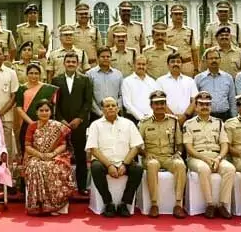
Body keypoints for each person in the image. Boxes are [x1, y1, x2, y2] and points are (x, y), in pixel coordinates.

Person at [87, 96, 143, 217]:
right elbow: (93, 149)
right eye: (107, 106)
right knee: (95, 168)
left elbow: (136, 146)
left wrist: (125, 164)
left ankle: (124, 203)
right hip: (104, 162)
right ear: (102, 109)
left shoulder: (128, 124)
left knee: (138, 169)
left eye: (113, 105)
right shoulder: (95, 125)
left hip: (125, 161)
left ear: (118, 108)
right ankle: (108, 203)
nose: (111, 108)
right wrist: (109, 165)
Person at [182, 90, 233, 218]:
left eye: (207, 104)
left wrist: (219, 158)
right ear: (196, 107)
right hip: (197, 157)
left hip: (216, 156)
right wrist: (204, 158)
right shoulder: (189, 124)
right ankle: (210, 204)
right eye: (201, 104)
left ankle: (222, 205)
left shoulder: (219, 122)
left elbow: (224, 144)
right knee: (203, 168)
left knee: (230, 169)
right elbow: (188, 148)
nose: (205, 107)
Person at [137, 90, 187, 219]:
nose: (159, 106)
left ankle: (178, 204)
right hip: (151, 156)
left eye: (162, 103)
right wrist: (146, 153)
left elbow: (180, 143)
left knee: (180, 165)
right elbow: (137, 145)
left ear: (166, 104)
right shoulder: (144, 123)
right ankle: (154, 204)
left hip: (169, 156)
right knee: (153, 165)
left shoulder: (174, 121)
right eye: (156, 104)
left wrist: (178, 153)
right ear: (151, 106)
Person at [51, 50, 95, 190]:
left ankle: (82, 187)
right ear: (64, 63)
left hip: (79, 124)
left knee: (81, 156)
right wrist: (61, 119)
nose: (71, 64)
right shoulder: (56, 80)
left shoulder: (85, 79)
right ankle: (62, 186)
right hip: (61, 124)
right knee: (61, 156)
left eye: (73, 62)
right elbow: (54, 104)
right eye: (68, 62)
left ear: (78, 64)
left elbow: (88, 102)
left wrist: (79, 118)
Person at [22, 100, 74, 215]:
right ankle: (39, 205)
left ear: (51, 112)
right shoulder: (32, 126)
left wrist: (52, 154)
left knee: (55, 167)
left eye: (47, 110)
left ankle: (55, 205)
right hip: (35, 155)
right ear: (36, 112)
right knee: (35, 167)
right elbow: (27, 146)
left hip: (55, 155)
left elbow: (63, 145)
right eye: (41, 110)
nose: (44, 113)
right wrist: (40, 155)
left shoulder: (57, 126)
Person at [14, 62, 57, 151]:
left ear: (40, 75)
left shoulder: (48, 89)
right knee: (27, 149)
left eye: (36, 73)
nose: (34, 76)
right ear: (27, 74)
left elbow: (53, 106)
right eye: (31, 73)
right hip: (26, 123)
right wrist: (32, 123)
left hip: (45, 124)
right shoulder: (22, 88)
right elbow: (19, 109)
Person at [194, 49, 235, 120]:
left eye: (216, 58)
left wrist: (234, 118)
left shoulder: (228, 77)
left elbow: (232, 100)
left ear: (220, 60)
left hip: (225, 116)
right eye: (211, 58)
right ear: (206, 61)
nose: (214, 60)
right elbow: (194, 101)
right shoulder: (198, 78)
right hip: (205, 116)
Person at [87, 47, 124, 118]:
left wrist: (116, 110)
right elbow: (89, 97)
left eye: (108, 56)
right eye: (103, 57)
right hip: (96, 115)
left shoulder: (118, 74)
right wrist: (100, 113)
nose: (106, 58)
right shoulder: (90, 74)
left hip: (115, 114)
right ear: (97, 58)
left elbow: (121, 95)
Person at [121, 56, 161, 122]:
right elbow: (127, 103)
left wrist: (150, 115)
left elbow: (155, 100)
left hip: (151, 118)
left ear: (147, 66)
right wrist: (141, 117)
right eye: (139, 64)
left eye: (143, 64)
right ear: (134, 65)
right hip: (133, 118)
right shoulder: (127, 81)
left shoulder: (152, 81)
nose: (141, 66)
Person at [164, 5, 197, 76]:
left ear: (183, 16)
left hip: (186, 65)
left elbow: (194, 50)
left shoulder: (189, 31)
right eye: (175, 14)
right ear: (171, 16)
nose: (178, 16)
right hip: (171, 65)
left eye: (180, 14)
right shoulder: (165, 32)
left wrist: (196, 68)